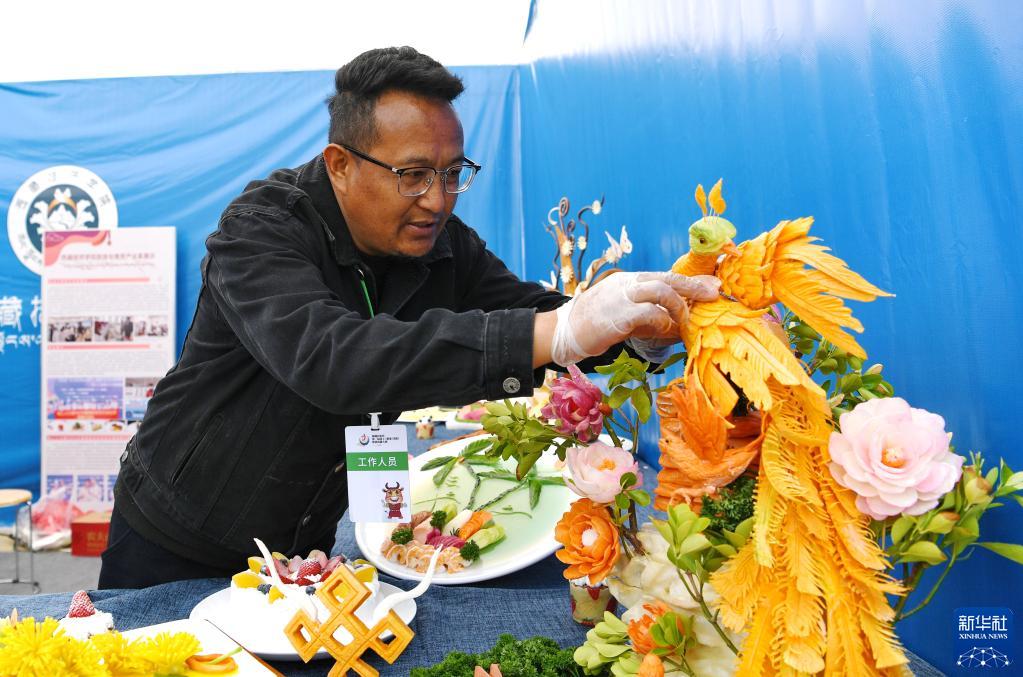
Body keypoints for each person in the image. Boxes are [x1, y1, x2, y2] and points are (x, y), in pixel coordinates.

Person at [99, 46, 718, 589]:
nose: (437, 200)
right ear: (340, 164)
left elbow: (538, 315)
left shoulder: (444, 246)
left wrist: (639, 327)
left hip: (301, 544)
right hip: (178, 535)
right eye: (414, 175)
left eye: (452, 174)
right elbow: (333, 359)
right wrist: (558, 331)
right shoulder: (260, 230)